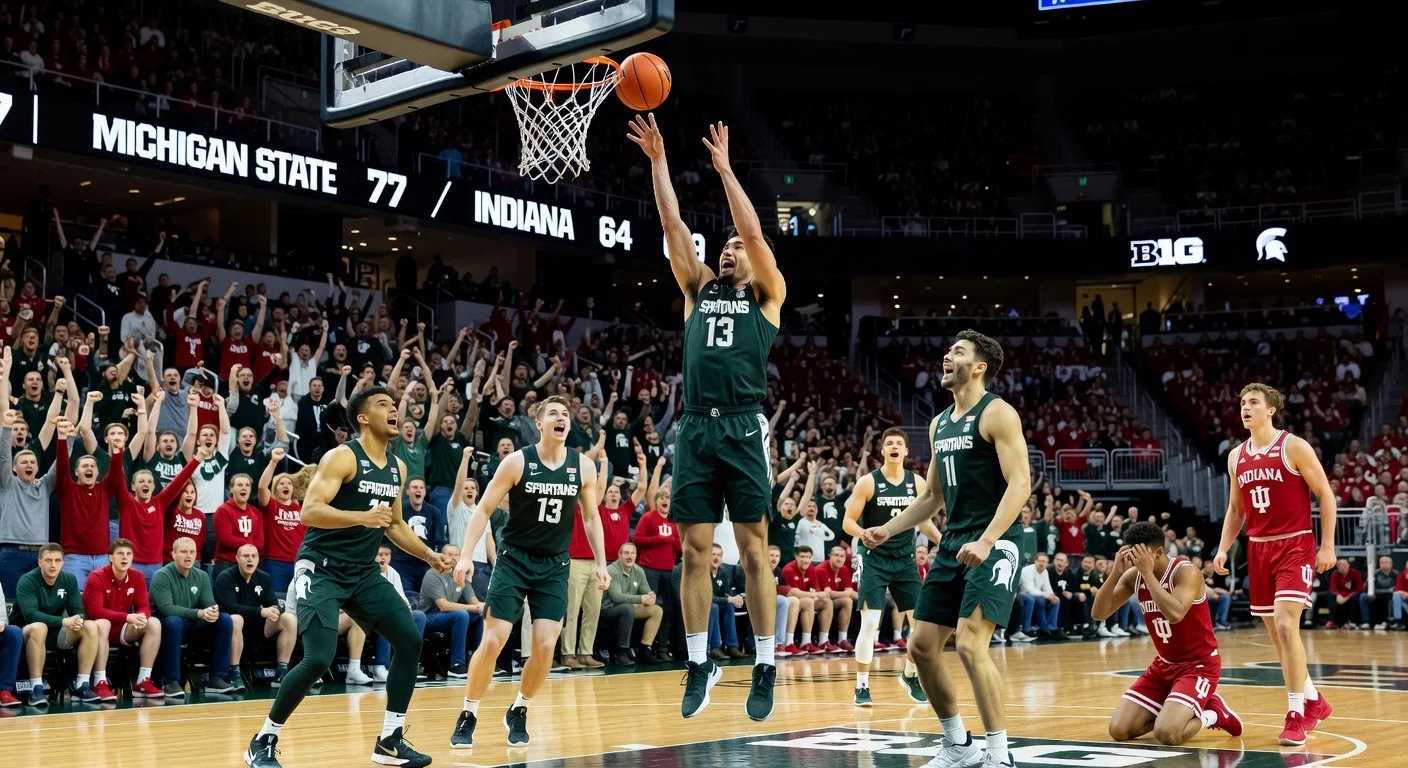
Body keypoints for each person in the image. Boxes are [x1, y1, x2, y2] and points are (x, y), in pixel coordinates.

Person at [630, 114, 786, 720]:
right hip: (694, 427)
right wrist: (659, 163)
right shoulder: (697, 289)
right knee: (695, 552)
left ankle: (765, 663)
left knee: (752, 551)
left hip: (744, 425)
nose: (727, 249)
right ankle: (699, 661)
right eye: (720, 245)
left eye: (735, 247)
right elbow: (672, 225)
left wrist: (724, 170)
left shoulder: (768, 294)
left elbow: (752, 230)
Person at [244, 386, 451, 768]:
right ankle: (263, 739)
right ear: (362, 418)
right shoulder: (343, 457)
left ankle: (389, 740)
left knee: (409, 639)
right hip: (320, 568)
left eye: (394, 405)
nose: (394, 410)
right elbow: (309, 511)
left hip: (362, 572)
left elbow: (395, 524)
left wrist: (428, 554)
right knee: (319, 658)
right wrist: (361, 517)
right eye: (383, 405)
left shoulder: (398, 467)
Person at [861, 330, 1031, 768]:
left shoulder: (998, 413)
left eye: (957, 352)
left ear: (978, 367)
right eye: (948, 349)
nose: (946, 356)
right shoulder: (939, 423)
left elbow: (1021, 484)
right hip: (955, 542)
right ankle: (959, 744)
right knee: (920, 646)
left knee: (972, 644)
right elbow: (931, 497)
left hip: (997, 542)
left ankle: (999, 754)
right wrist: (887, 528)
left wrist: (989, 539)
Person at [451, 395, 605, 748]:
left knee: (547, 644)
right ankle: (469, 712)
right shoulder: (517, 462)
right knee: (492, 640)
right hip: (514, 558)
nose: (561, 417)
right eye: (553, 413)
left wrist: (600, 563)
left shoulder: (583, 467)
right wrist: (464, 556)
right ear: (539, 424)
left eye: (565, 414)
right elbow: (483, 508)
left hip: (554, 565)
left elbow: (592, 517)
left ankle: (519, 709)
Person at [1213, 383, 1336, 746]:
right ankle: (1314, 700)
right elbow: (1237, 510)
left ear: (1271, 410)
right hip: (1258, 549)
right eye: (1241, 403)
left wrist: (1327, 546)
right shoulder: (1236, 456)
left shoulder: (1293, 446)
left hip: (1295, 545)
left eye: (1253, 402)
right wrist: (1223, 549)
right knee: (1279, 638)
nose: (1245, 407)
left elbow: (1325, 494)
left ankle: (1297, 712)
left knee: (1285, 625)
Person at [1094, 522, 1242, 745]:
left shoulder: (1186, 572)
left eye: (1141, 555)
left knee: (1168, 735)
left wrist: (1147, 574)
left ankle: (1214, 714)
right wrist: (1116, 573)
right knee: (1119, 730)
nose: (1136, 562)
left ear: (1159, 552)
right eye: (1132, 555)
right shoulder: (1134, 575)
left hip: (1198, 665)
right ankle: (1175, 706)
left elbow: (1175, 614)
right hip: (1163, 665)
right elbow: (1099, 613)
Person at [842, 426, 937, 706]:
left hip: (904, 560)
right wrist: (864, 534)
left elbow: (924, 522)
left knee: (919, 627)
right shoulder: (868, 482)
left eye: (899, 443)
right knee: (870, 623)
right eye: (889, 443)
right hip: (873, 559)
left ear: (906, 451)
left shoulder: (917, 483)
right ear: (882, 451)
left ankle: (909, 674)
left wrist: (942, 540)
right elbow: (848, 522)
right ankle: (861, 687)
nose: (894, 447)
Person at [16, 544, 103, 705]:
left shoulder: (69, 579)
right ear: (39, 562)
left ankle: (82, 685)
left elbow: (78, 611)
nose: (53, 565)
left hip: (55, 633)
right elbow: (30, 615)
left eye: (57, 560)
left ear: (63, 562)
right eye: (48, 560)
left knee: (90, 626)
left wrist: (78, 621)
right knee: (39, 626)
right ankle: (36, 688)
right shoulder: (27, 580)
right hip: (24, 634)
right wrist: (64, 621)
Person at [151, 537, 237, 697]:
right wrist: (198, 613)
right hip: (167, 626)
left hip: (194, 626)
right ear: (173, 554)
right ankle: (171, 681)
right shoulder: (161, 575)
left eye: (192, 552)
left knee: (225, 620)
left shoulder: (202, 575)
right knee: (173, 621)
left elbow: (209, 604)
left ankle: (217, 678)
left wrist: (212, 612)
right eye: (183, 552)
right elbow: (166, 608)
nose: (188, 556)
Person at [82, 538, 164, 699]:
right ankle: (100, 682)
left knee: (153, 623)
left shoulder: (137, 576)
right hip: (96, 631)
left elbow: (144, 606)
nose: (125, 558)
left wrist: (142, 617)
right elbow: (95, 611)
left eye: (128, 554)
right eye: (120, 554)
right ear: (110, 557)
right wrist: (127, 617)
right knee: (102, 623)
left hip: (122, 629)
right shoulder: (96, 577)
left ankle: (143, 681)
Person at [216, 545, 297, 690]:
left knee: (289, 618)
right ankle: (234, 673)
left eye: (254, 556)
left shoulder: (264, 577)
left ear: (258, 559)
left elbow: (273, 604)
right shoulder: (225, 577)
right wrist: (260, 612)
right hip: (233, 630)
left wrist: (275, 611)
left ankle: (282, 672)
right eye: (246, 556)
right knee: (236, 618)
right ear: (237, 558)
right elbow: (230, 606)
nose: (250, 560)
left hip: (259, 627)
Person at [601, 542, 664, 666]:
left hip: (629, 608)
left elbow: (646, 591)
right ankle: (621, 653)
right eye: (626, 553)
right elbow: (617, 597)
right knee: (627, 609)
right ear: (619, 555)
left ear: (636, 555)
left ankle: (644, 649)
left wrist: (651, 595)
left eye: (633, 553)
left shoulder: (638, 570)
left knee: (656, 610)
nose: (629, 556)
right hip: (608, 610)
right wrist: (641, 599)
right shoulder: (612, 570)